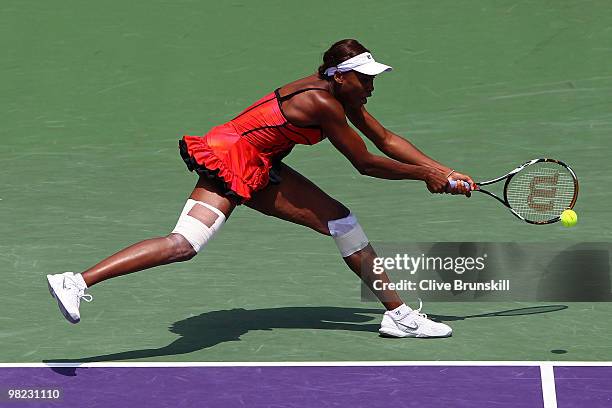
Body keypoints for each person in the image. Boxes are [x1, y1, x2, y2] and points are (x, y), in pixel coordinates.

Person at [46, 39, 475, 338]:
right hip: (236, 163)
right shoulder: (322, 102)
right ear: (340, 78)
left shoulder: (337, 93)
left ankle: (397, 315)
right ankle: (76, 281)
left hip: (254, 160)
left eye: (372, 77)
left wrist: (445, 171)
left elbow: (387, 140)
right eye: (364, 79)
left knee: (340, 223)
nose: (371, 85)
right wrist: (425, 177)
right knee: (184, 245)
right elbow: (364, 162)